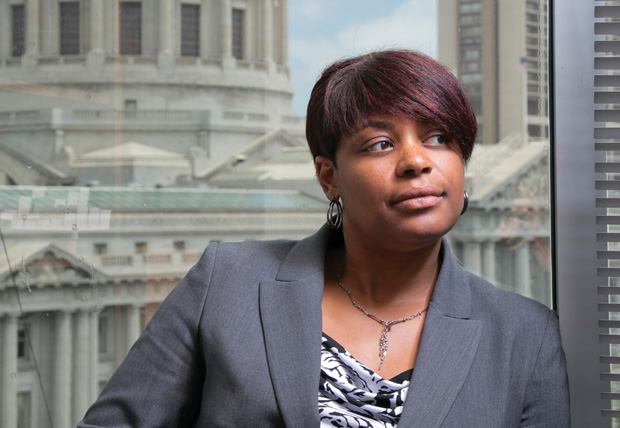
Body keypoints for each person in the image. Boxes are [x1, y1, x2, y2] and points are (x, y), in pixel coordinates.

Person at [78, 49, 569, 427]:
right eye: (379, 143)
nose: (417, 160)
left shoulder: (528, 337)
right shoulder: (225, 284)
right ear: (329, 177)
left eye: (440, 137)